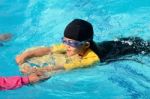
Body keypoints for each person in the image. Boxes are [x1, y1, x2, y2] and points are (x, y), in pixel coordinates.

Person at [15, 19, 150, 75]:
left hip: (129, 50)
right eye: (64, 41)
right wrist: (25, 55)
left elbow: (65, 67)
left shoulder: (92, 58)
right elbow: (48, 49)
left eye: (71, 43)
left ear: (85, 44)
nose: (66, 46)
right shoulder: (72, 44)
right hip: (112, 44)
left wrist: (39, 70)